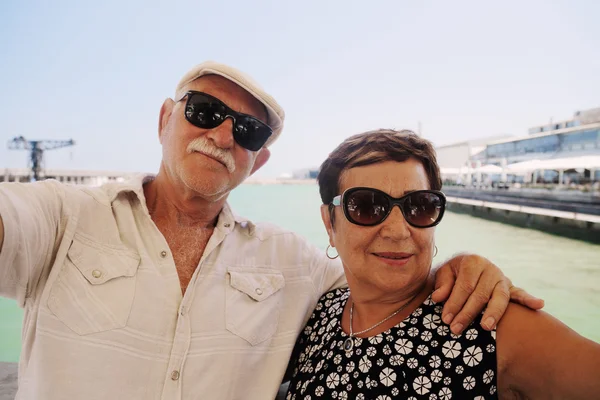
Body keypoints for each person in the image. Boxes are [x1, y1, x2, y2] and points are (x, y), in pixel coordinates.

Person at [0, 62, 541, 400]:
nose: (223, 134)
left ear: (256, 163)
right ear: (165, 119)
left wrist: (460, 266)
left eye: (248, 130)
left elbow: (382, 274)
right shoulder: (61, 216)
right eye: (205, 110)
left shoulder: (291, 262)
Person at [285, 129, 600, 399]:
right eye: (367, 206)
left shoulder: (489, 323)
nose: (397, 231)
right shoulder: (319, 314)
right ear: (330, 223)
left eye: (419, 206)